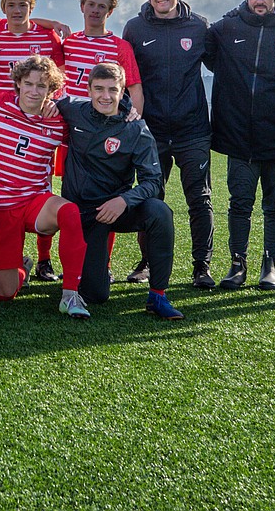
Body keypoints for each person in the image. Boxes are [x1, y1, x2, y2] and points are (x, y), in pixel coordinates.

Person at [54, 63, 183, 320]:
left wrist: (124, 200)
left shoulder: (135, 127)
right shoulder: (73, 110)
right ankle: (87, 276)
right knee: (96, 295)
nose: (105, 96)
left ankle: (158, 294)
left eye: (112, 89)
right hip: (85, 213)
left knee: (160, 212)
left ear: (122, 90)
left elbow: (153, 180)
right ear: (88, 90)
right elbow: (33, 96)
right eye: (99, 89)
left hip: (118, 207)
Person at [204, 0, 275, 290]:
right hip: (240, 138)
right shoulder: (226, 29)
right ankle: (238, 265)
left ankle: (270, 265)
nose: (259, 1)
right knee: (240, 204)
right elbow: (206, 55)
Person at [122, 0, 215, 288]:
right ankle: (147, 263)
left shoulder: (199, 26)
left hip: (193, 130)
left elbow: (222, 65)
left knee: (200, 199)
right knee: (151, 199)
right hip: (152, 132)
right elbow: (126, 78)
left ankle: (202, 266)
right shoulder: (134, 28)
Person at [0, 55, 88, 317]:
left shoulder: (58, 120)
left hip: (34, 202)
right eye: (29, 84)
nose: (34, 91)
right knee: (5, 293)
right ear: (18, 83)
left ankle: (71, 294)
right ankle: (22, 265)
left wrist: (127, 108)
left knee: (69, 211)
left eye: (42, 87)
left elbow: (96, 113)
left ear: (52, 90)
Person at [0, 0, 68, 281]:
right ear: (3, 8)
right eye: (11, 5)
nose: (17, 10)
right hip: (5, 115)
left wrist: (53, 103)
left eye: (23, 5)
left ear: (32, 8)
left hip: (40, 115)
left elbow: (61, 75)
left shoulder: (46, 36)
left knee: (40, 183)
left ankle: (44, 260)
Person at [61, 0, 143, 108]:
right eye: (91, 4)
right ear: (82, 7)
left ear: (109, 12)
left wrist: (134, 121)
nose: (95, 10)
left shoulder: (120, 46)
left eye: (102, 6)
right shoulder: (69, 42)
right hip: (69, 114)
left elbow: (135, 89)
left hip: (101, 118)